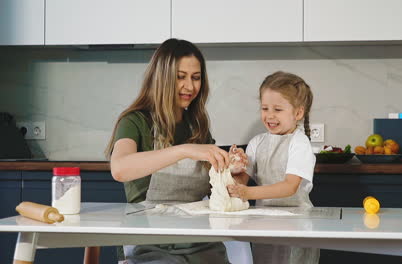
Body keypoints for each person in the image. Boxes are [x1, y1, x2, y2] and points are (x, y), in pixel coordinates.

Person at [102, 38, 233, 264]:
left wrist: (233, 171)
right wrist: (183, 150)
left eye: (196, 77)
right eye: (180, 77)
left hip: (199, 242)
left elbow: (216, 193)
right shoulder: (135, 121)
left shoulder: (197, 125)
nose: (190, 87)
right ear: (162, 77)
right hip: (149, 243)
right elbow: (120, 169)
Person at [227, 71, 320, 264]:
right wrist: (236, 169)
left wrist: (247, 193)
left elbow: (289, 187)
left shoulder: (299, 143)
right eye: (264, 108)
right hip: (265, 224)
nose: (270, 115)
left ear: (298, 112)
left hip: (297, 224)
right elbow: (241, 182)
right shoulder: (256, 143)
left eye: (277, 109)